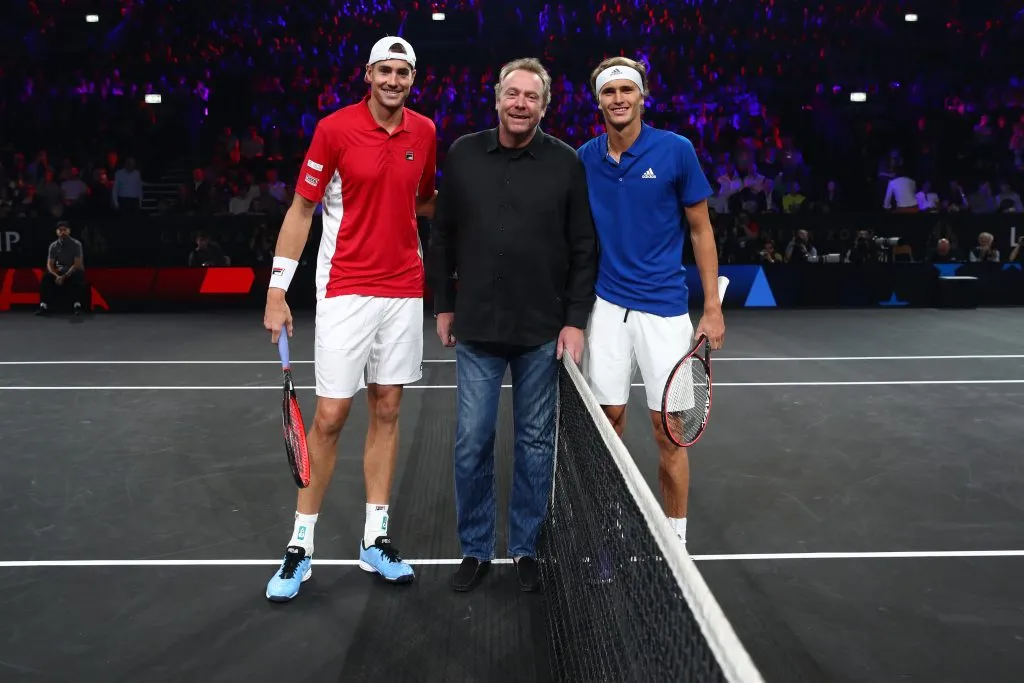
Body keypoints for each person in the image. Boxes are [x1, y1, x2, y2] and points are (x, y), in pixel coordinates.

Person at [262, 35, 438, 602]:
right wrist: (277, 290)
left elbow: (425, 200)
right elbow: (302, 210)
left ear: (413, 79)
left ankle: (374, 539)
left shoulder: (425, 132)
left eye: (402, 73)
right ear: (368, 74)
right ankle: (300, 546)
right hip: (344, 289)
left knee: (387, 408)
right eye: (384, 71)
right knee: (331, 416)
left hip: (404, 290)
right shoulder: (334, 130)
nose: (393, 81)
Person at [426, 57, 598, 593]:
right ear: (497, 98)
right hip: (476, 325)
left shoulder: (566, 162)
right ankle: (476, 548)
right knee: (471, 442)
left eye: (531, 97)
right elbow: (442, 236)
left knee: (535, 444)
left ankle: (526, 548)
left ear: (544, 106)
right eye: (513, 94)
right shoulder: (463, 153)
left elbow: (584, 247)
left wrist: (574, 321)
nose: (520, 104)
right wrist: (444, 305)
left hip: (541, 329)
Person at [575, 57, 724, 547]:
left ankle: (675, 539)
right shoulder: (585, 158)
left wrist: (712, 308)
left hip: (665, 311)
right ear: (598, 101)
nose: (618, 99)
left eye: (627, 90)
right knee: (608, 424)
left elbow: (701, 230)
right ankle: (609, 526)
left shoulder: (676, 150)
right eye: (609, 91)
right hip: (607, 310)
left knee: (669, 430)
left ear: (642, 97)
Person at [35, 221, 88, 316]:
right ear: (56, 232)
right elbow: (50, 264)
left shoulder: (76, 244)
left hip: (73, 269)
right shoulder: (53, 246)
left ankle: (77, 306)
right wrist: (56, 275)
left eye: (65, 230)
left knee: (77, 276)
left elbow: (77, 264)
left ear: (69, 231)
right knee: (46, 277)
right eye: (60, 230)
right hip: (59, 270)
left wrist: (64, 276)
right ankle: (43, 306)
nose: (62, 232)